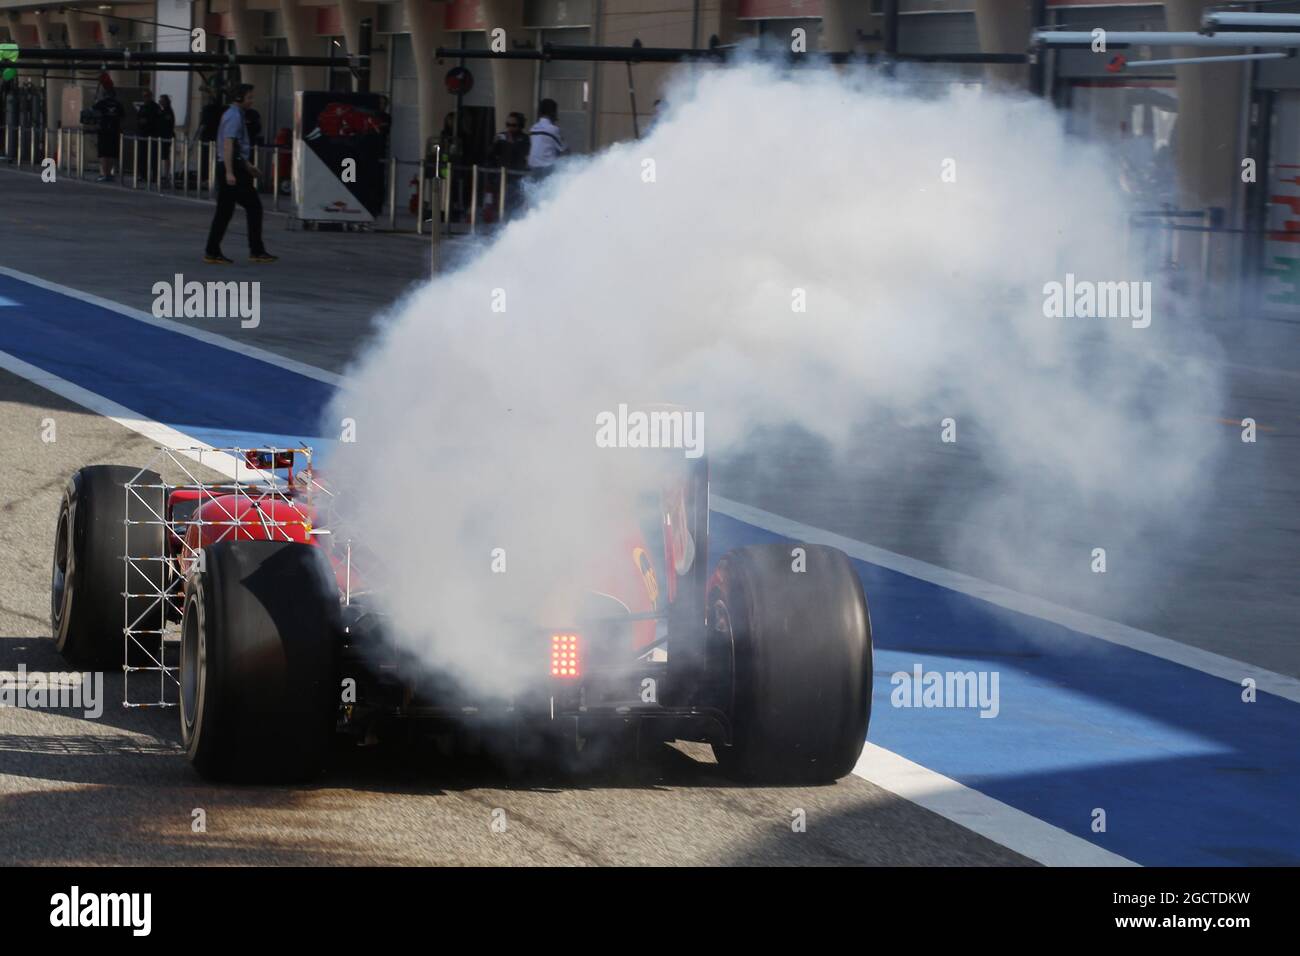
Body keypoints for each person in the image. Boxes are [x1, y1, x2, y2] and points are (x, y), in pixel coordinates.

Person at [204, 84, 276, 264]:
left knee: (224, 211)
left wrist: (247, 165)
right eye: (249, 97)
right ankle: (256, 250)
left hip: (234, 165)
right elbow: (229, 144)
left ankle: (212, 251)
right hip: (232, 168)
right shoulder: (234, 116)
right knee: (253, 207)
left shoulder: (234, 115)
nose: (252, 100)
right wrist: (230, 172)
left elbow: (234, 147)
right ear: (239, 98)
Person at [91, 79, 124, 182]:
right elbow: (123, 116)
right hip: (114, 131)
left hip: (103, 130)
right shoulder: (118, 104)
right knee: (112, 153)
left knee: (103, 153)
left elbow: (92, 111)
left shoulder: (101, 103)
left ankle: (105, 174)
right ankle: (110, 173)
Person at [527, 98, 567, 179]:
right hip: (547, 168)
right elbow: (564, 150)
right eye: (556, 112)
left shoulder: (533, 128)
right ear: (552, 113)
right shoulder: (553, 129)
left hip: (533, 167)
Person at [156, 94, 176, 187]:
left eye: (162, 100)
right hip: (160, 136)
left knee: (165, 155)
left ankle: (166, 175)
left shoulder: (168, 111)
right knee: (161, 155)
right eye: (160, 100)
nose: (160, 102)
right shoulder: (161, 110)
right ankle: (162, 174)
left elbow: (167, 124)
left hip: (166, 136)